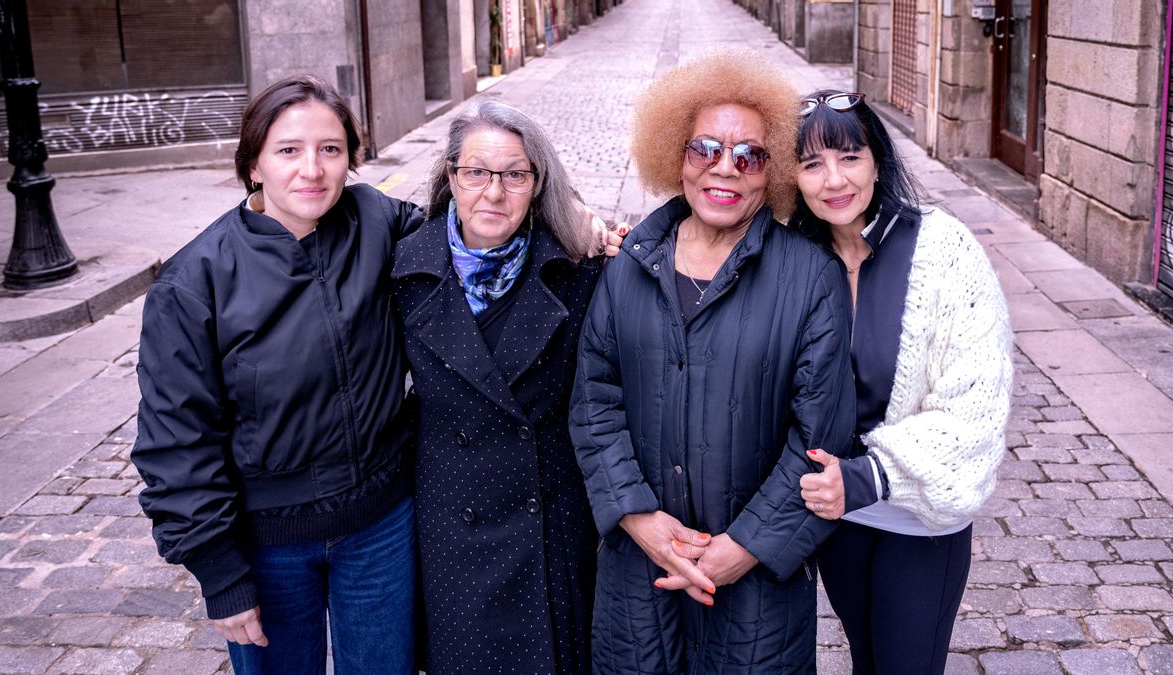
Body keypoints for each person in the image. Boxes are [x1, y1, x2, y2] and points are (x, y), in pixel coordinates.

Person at [132, 76, 618, 675]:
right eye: (288, 150)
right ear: (253, 164)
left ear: (350, 162)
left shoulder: (376, 222)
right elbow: (175, 444)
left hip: (379, 529)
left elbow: (471, 218)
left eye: (330, 150)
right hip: (271, 540)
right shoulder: (194, 282)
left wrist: (569, 214)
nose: (311, 169)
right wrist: (220, 573)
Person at [568, 50, 856, 674]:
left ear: (772, 171)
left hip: (755, 592)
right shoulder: (629, 266)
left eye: (749, 155)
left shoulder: (811, 280)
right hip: (639, 580)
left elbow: (821, 435)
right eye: (705, 148)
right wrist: (640, 519)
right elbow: (595, 403)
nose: (725, 168)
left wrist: (743, 548)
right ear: (676, 154)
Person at [793, 90, 1013, 675]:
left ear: (877, 161)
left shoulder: (943, 249)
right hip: (838, 520)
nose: (833, 180)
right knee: (866, 659)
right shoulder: (792, 257)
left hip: (919, 518)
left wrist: (868, 476)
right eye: (811, 164)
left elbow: (976, 409)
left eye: (849, 157)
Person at [392, 100, 615, 675]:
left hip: (548, 522)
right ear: (451, 178)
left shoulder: (579, 267)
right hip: (451, 524)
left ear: (537, 184)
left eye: (515, 175)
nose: (493, 193)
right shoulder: (404, 272)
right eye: (476, 173)